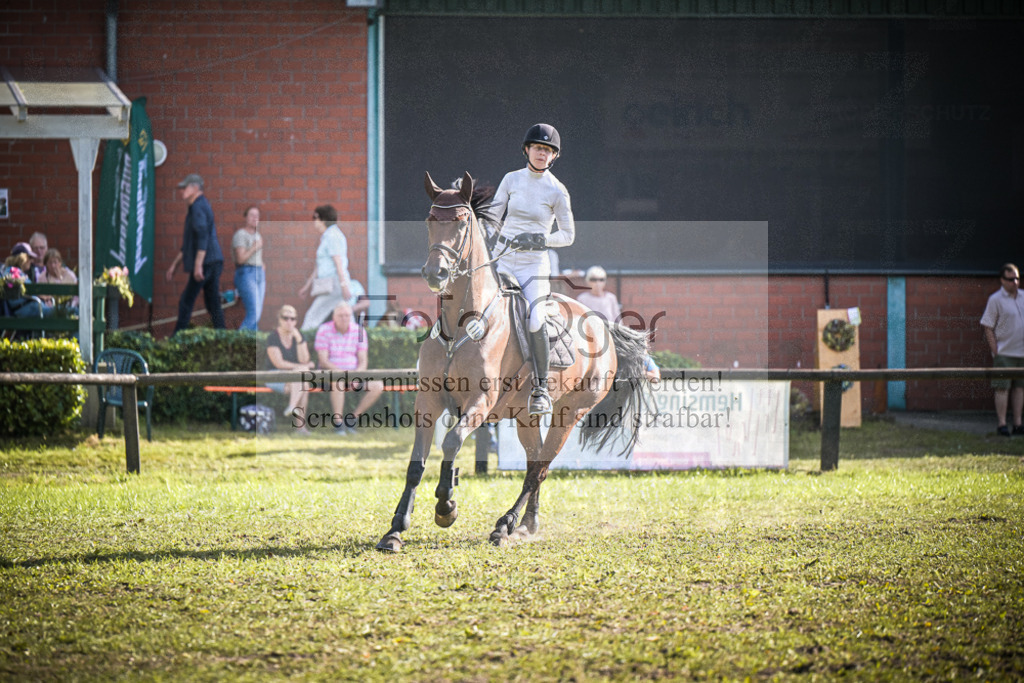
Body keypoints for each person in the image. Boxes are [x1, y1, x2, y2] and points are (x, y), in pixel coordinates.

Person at [489, 123, 575, 415]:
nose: (542, 153)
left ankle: (540, 389)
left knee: (535, 318)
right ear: (527, 149)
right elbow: (493, 215)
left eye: (548, 150)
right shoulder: (511, 180)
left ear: (554, 157)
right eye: (538, 148)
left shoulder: (557, 190)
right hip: (502, 259)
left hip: (533, 266)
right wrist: (491, 235)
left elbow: (568, 235)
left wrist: (540, 238)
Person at [165, 173, 226, 334]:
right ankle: (224, 337)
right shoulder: (199, 206)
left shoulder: (198, 207)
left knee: (186, 300)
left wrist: (198, 265)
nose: (181, 191)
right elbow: (189, 244)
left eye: (185, 187)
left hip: (206, 262)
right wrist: (174, 266)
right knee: (212, 302)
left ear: (195, 188)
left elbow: (203, 236)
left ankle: (177, 340)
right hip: (213, 260)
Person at [314, 302, 384, 435]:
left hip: (354, 375)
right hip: (330, 375)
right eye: (340, 315)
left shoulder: (359, 331)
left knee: (378, 385)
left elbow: (363, 360)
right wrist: (344, 374)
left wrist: (356, 376)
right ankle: (338, 423)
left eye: (347, 315)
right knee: (338, 380)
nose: (344, 318)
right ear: (333, 317)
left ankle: (352, 419)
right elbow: (323, 361)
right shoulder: (324, 330)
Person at [980, 263, 1024, 436]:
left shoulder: (1023, 296)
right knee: (1002, 388)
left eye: (1017, 278)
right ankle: (1002, 423)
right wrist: (995, 349)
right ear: (1002, 280)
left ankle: (1018, 423)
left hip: (1022, 352)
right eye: (1010, 279)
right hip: (1004, 352)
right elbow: (987, 325)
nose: (1015, 282)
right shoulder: (995, 299)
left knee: (1020, 388)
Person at [299, 204, 352, 330]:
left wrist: (344, 285)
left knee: (313, 317)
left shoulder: (332, 236)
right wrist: (307, 286)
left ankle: (302, 345)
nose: (314, 221)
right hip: (332, 283)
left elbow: (338, 262)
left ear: (323, 219)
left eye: (316, 217)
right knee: (346, 317)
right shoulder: (327, 236)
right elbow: (319, 266)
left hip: (335, 283)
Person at [265, 304, 315, 434]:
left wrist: (298, 339)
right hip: (274, 375)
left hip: (294, 378)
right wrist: (301, 367)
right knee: (303, 379)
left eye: (293, 319)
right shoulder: (273, 337)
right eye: (285, 318)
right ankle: (300, 426)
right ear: (279, 319)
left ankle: (292, 408)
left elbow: (304, 359)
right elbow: (279, 363)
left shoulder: (299, 336)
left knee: (302, 382)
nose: (289, 322)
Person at [232, 205, 265, 331]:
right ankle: (238, 344)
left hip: (259, 274)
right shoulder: (241, 234)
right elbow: (240, 259)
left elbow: (257, 258)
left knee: (257, 314)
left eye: (257, 215)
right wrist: (254, 247)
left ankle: (253, 346)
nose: (254, 218)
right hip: (246, 273)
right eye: (251, 215)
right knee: (254, 313)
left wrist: (262, 265)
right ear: (245, 217)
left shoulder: (258, 235)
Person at [38, 248, 78, 313]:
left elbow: (75, 296)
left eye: (55, 262)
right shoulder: (42, 277)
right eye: (50, 263)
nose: (53, 266)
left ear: (60, 263)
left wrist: (59, 278)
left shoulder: (69, 275)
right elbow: (41, 295)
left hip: (69, 305)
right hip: (49, 307)